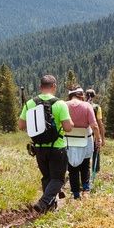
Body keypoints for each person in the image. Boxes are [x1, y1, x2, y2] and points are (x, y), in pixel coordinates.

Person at [18, 75, 74, 213]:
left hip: (39, 148)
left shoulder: (30, 103)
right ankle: (43, 202)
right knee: (58, 179)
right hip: (57, 147)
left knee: (47, 177)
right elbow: (68, 127)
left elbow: (20, 125)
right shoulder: (60, 104)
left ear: (40, 87)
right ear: (54, 86)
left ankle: (49, 207)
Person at [64, 86, 102, 199]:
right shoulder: (87, 106)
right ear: (81, 95)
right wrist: (98, 139)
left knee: (72, 167)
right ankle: (86, 189)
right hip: (85, 139)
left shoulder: (64, 105)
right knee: (85, 165)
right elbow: (94, 126)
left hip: (68, 140)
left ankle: (75, 193)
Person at [87, 88, 105, 176]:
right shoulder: (97, 107)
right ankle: (95, 172)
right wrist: (102, 138)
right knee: (96, 151)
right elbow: (100, 123)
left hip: (84, 132)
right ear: (94, 96)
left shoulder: (82, 105)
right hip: (94, 133)